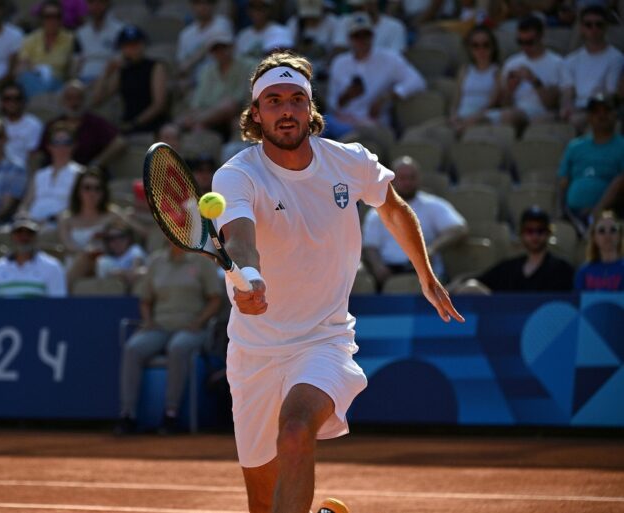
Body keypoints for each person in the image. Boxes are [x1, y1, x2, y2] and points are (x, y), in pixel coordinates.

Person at [211, 52, 463, 513]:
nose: (286, 110)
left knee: (295, 431)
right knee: (261, 503)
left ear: (310, 108)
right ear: (255, 114)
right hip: (254, 351)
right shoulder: (237, 175)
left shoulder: (350, 162)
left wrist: (426, 275)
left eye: (296, 99)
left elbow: (393, 209)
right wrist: (250, 278)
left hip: (323, 341)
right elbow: (240, 239)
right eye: (273, 101)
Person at [116, 240, 222, 435]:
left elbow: (215, 299)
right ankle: (127, 415)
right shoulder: (156, 261)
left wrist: (199, 322)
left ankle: (170, 414)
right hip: (160, 326)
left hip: (192, 328)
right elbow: (145, 300)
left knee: (178, 347)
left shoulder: (203, 262)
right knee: (133, 348)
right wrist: (148, 321)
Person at [363, 156, 467, 289]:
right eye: (402, 178)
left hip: (425, 272)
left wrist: (432, 249)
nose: (407, 182)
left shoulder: (432, 205)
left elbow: (459, 229)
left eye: (412, 177)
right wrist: (378, 266)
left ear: (419, 179)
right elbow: (370, 246)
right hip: (390, 273)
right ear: (392, 180)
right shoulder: (377, 211)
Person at [325, 12, 425, 139]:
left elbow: (417, 81)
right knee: (315, 126)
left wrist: (386, 97)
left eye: (366, 35)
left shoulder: (389, 58)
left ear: (372, 36)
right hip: (341, 122)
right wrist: (346, 96)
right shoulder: (339, 62)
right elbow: (332, 103)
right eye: (357, 36)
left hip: (372, 124)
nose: (362, 40)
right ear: (349, 39)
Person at [557, 93, 624, 234]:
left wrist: (598, 209)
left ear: (615, 114)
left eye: (606, 111)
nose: (601, 115)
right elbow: (563, 182)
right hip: (572, 214)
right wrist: (563, 211)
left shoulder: (622, 146)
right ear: (589, 117)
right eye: (596, 112)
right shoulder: (575, 146)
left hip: (610, 216)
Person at [468, 207, 574, 292]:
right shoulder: (508, 269)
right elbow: (478, 282)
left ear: (548, 233)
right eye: (529, 231)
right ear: (521, 233)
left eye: (540, 230)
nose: (535, 236)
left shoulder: (562, 269)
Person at [91, 25, 169, 135]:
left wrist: (135, 123)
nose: (133, 49)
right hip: (127, 124)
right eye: (128, 46)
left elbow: (159, 104)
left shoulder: (155, 67)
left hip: (152, 124)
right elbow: (97, 100)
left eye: (136, 44)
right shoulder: (122, 71)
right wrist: (106, 74)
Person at [175, 29, 252, 139]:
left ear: (232, 47)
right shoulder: (207, 71)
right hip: (210, 115)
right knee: (195, 124)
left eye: (223, 47)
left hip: (237, 112)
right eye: (215, 49)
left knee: (228, 106)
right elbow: (198, 102)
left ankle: (195, 122)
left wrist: (200, 117)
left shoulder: (248, 66)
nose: (220, 51)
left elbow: (238, 101)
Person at [492, 16, 562, 134]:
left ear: (541, 37)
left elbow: (551, 104)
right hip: (513, 111)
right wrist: (510, 89)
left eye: (529, 42)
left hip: (540, 112)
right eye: (521, 42)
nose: (524, 47)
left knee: (509, 116)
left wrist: (534, 80)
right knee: (481, 119)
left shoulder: (557, 63)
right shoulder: (511, 62)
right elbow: (504, 104)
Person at [559, 6, 623, 132]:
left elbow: (610, 94)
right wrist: (566, 106)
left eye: (599, 24)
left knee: (576, 121)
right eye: (588, 25)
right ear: (581, 28)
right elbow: (567, 91)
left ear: (606, 27)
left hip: (600, 110)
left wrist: (587, 110)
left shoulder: (617, 58)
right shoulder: (571, 60)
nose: (594, 29)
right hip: (577, 109)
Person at [42, 80, 125, 170]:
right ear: (62, 101)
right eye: (69, 98)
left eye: (79, 98)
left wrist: (95, 164)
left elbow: (119, 142)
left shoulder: (95, 123)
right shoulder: (52, 125)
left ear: (84, 100)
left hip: (87, 173)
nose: (74, 103)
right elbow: (39, 153)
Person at [0, 217, 67, 297]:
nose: (24, 237)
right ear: (11, 236)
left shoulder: (53, 267)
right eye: (19, 232)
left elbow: (58, 302)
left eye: (29, 233)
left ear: (36, 237)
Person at [18, 123, 84, 226]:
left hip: (60, 225)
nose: (61, 147)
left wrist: (51, 219)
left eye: (66, 142)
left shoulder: (80, 173)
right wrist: (23, 215)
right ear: (49, 146)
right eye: (56, 142)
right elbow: (26, 204)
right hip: (30, 225)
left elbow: (79, 207)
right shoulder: (39, 175)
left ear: (74, 145)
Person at [16, 0, 75, 96]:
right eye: (48, 16)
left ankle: (40, 99)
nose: (52, 21)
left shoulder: (70, 39)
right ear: (41, 19)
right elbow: (22, 64)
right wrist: (38, 70)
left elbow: (73, 67)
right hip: (34, 78)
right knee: (25, 77)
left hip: (57, 81)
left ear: (61, 19)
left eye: (56, 16)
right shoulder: (30, 39)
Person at [450, 24, 501, 134]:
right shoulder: (464, 70)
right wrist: (453, 117)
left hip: (482, 118)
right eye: (475, 45)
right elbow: (456, 100)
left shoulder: (497, 72)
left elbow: (492, 103)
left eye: (486, 45)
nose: (481, 49)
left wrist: (471, 120)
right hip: (460, 116)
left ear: (493, 47)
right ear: (469, 48)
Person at [176, 0, 235, 87]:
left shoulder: (222, 23)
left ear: (214, 5)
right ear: (192, 5)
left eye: (207, 2)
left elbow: (219, 47)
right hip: (194, 84)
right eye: (198, 3)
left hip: (221, 82)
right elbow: (182, 67)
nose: (203, 6)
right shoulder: (185, 34)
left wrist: (189, 63)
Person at [73, 0, 124, 84]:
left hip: (108, 78)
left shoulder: (120, 30)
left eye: (100, 2)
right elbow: (77, 61)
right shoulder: (80, 33)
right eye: (92, 2)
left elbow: (119, 60)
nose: (96, 6)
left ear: (107, 4)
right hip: (84, 79)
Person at [574, 210, 622, 291]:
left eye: (613, 230)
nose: (607, 235)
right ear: (594, 237)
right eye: (601, 231)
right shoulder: (583, 272)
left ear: (619, 236)